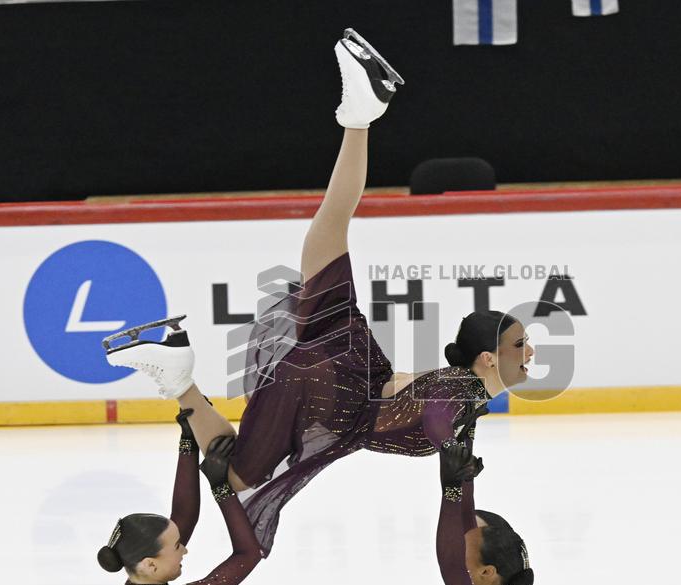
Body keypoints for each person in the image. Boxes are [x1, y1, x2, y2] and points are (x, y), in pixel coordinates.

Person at [103, 29, 535, 555]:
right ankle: (178, 374)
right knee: (237, 480)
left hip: (356, 365)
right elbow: (438, 415)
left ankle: (360, 116)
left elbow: (405, 388)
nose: (530, 354)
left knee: (328, 231)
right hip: (336, 398)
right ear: (487, 360)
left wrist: (452, 451)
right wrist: (451, 454)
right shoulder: (459, 397)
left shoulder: (453, 386)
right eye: (520, 346)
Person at [97, 409, 261, 585]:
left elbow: (183, 517)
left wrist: (188, 441)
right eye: (177, 547)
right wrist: (221, 489)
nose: (184, 550)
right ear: (150, 564)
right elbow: (248, 554)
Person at [433, 445, 533, 585]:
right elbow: (465, 520)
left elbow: (448, 561)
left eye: (464, 544)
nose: (458, 543)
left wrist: (450, 488)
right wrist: (465, 477)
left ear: (487, 571)